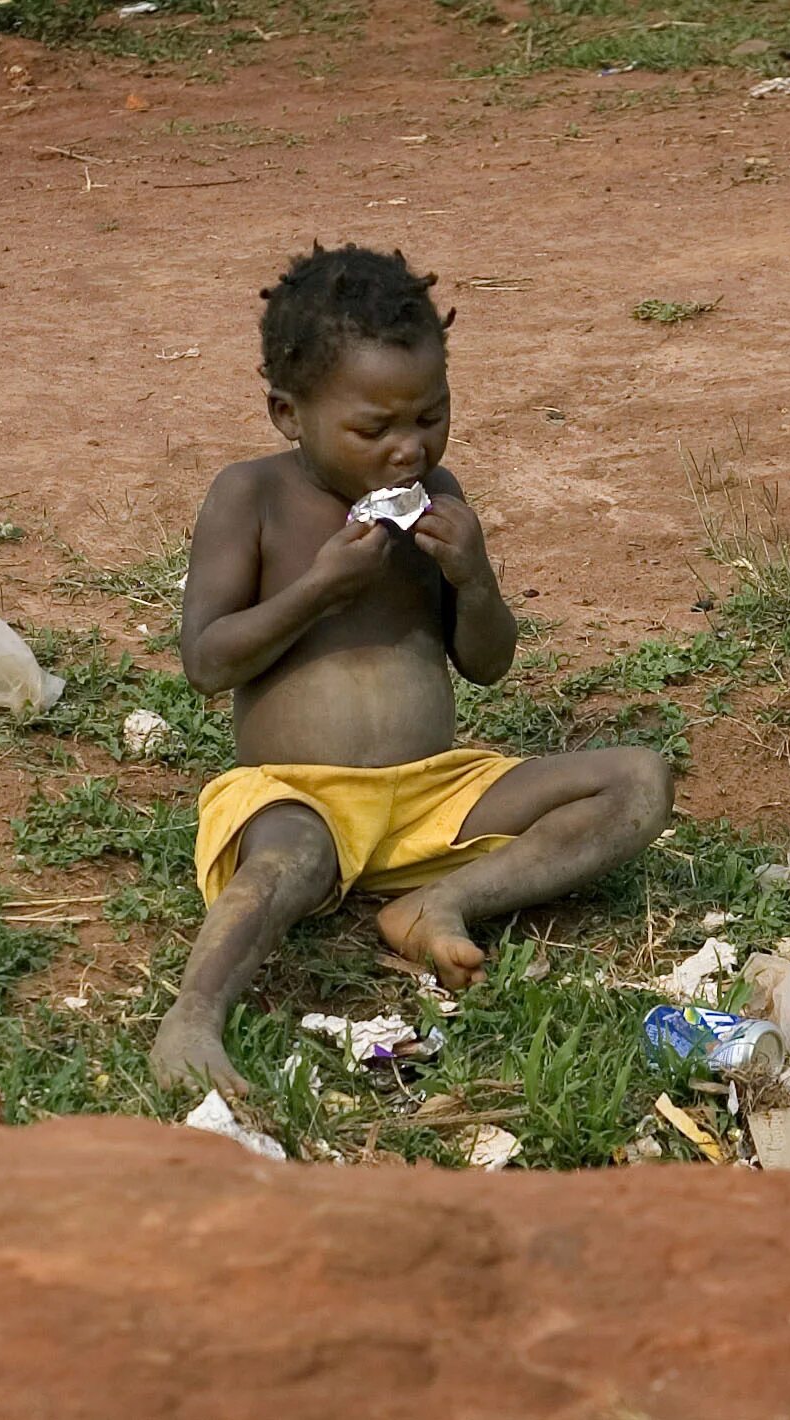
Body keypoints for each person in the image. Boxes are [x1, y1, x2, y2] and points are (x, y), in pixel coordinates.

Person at [149, 244, 674, 1091]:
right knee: (290, 865)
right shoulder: (251, 497)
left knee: (640, 780)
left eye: (430, 417)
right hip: (297, 795)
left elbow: (487, 664)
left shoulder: (442, 495)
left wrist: (473, 575)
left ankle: (443, 900)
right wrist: (319, 588)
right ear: (288, 413)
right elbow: (208, 663)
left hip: (434, 794)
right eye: (374, 429)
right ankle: (195, 1018)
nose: (408, 450)